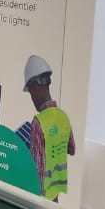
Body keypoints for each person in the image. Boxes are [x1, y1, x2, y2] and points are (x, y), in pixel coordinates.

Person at [24, 55, 76, 201]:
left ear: (36, 87)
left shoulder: (39, 122)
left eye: (31, 93)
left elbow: (38, 173)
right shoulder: (63, 117)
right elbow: (71, 149)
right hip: (56, 191)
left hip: (42, 196)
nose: (32, 98)